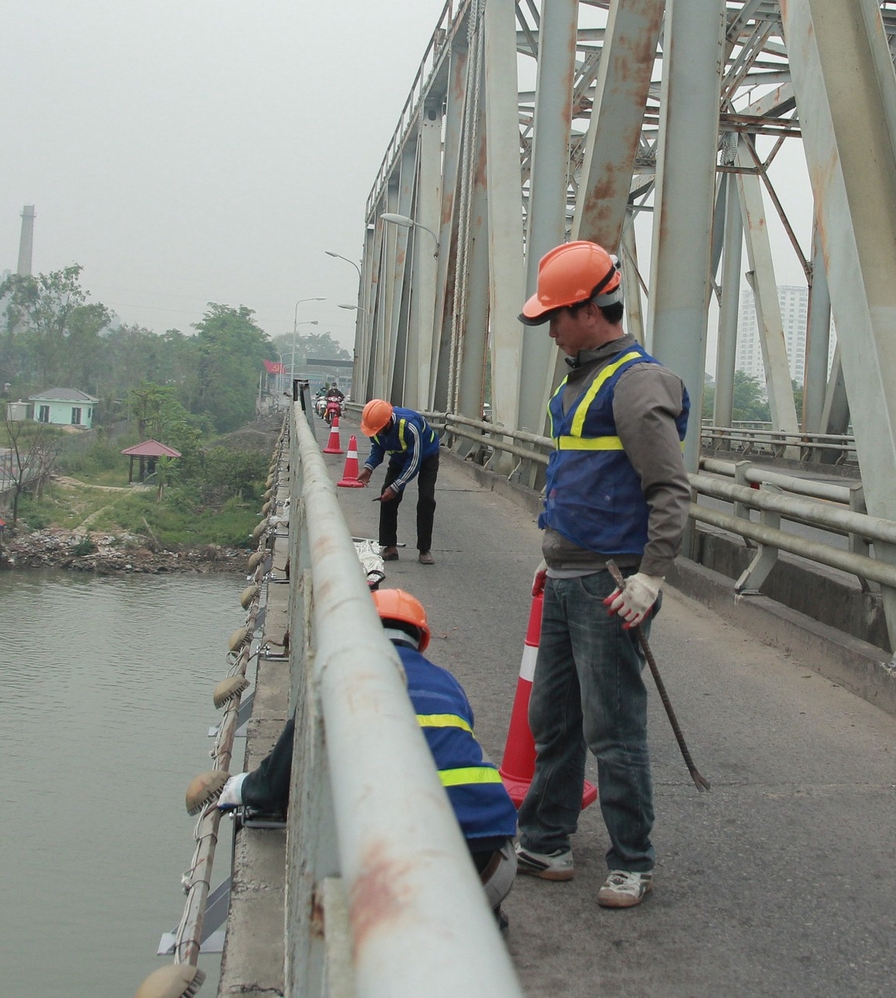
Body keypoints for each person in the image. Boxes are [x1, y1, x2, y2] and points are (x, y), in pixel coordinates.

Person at [510, 240, 691, 911]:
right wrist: (553, 547)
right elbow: (576, 478)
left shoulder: (637, 384)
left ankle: (631, 861)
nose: (549, 329)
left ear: (590, 311)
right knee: (552, 720)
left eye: (555, 317)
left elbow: (669, 492)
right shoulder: (578, 376)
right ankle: (546, 841)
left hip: (610, 585)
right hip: (567, 576)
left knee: (612, 729)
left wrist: (651, 578)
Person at [203, 589, 519, 924]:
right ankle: (480, 917)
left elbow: (272, 786)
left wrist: (240, 789)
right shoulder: (448, 682)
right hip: (497, 865)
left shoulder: (337, 675)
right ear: (420, 638)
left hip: (410, 871)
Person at [359, 398, 440, 564]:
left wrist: (396, 486)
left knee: (426, 499)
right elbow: (377, 449)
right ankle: (389, 546)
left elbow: (415, 461)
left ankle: (424, 549)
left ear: (388, 422)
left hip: (426, 456)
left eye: (380, 430)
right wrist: (368, 468)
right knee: (386, 496)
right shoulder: (375, 428)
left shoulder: (409, 426)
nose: (378, 433)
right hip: (398, 457)